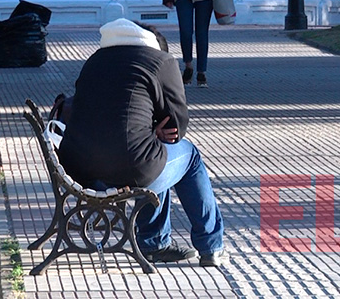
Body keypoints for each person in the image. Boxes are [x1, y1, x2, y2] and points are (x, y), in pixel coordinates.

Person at [57, 18, 228, 267]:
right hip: (129, 168)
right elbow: (177, 128)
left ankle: (155, 242)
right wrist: (152, 131)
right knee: (188, 156)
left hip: (81, 169)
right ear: (155, 46)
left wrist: (148, 133)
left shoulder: (95, 60)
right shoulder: (160, 61)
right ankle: (211, 245)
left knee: (154, 152)